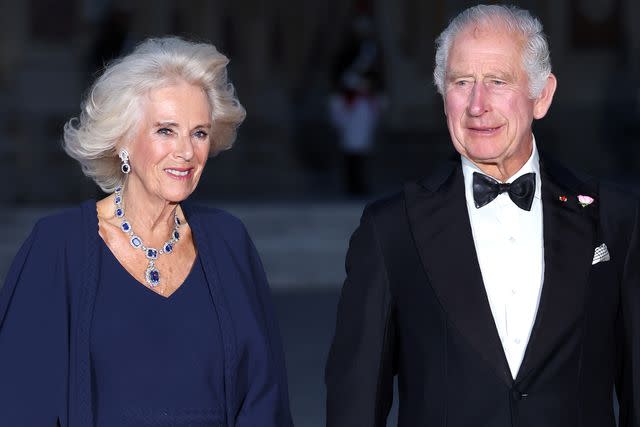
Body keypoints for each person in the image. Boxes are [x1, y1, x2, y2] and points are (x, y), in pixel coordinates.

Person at [326, 4, 639, 426]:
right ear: (443, 96)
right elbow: (355, 406)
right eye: (461, 82)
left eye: (497, 81)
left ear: (541, 96)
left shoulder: (615, 219)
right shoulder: (391, 229)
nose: (477, 104)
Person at [0, 37, 293, 427]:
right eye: (166, 131)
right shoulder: (58, 246)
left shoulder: (229, 241)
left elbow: (264, 397)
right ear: (123, 139)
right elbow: (21, 402)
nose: (186, 152)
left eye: (199, 133)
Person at [329, 11, 385, 196]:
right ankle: (351, 185)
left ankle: (359, 184)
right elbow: (338, 78)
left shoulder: (372, 53)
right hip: (349, 104)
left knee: (362, 145)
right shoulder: (346, 53)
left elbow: (378, 79)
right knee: (349, 145)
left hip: (363, 104)